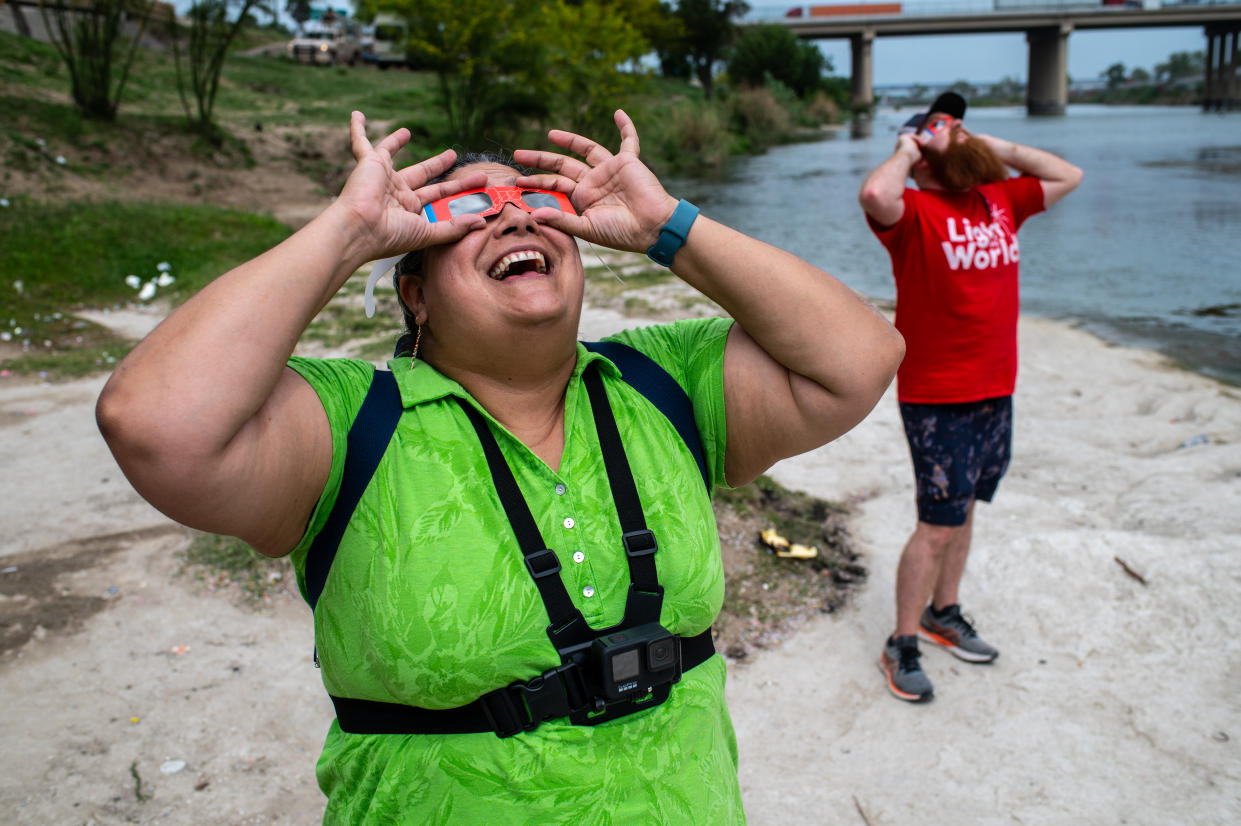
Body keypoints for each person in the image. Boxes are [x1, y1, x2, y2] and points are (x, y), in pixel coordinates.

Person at [97, 108, 904, 822]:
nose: (513, 218)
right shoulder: (353, 423)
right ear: (413, 294)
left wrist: (670, 225)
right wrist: (345, 235)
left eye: (536, 203)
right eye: (470, 210)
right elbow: (155, 424)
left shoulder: (662, 383)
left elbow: (861, 357)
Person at [857, 92, 1082, 703]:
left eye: (958, 125)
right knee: (936, 523)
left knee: (966, 508)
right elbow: (876, 196)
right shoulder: (914, 214)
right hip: (938, 395)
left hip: (995, 389)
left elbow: (1067, 174)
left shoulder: (999, 200)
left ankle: (943, 612)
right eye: (941, 127)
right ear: (920, 152)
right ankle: (903, 641)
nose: (953, 131)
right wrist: (909, 146)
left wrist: (989, 148)